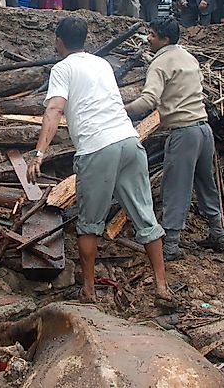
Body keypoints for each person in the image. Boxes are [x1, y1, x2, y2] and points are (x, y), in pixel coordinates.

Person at [26, 17, 174, 307]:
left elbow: (55, 108)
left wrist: (39, 153)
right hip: (129, 141)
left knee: (90, 223)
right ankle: (162, 286)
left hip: (97, 148)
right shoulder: (101, 63)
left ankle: (89, 292)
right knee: (145, 216)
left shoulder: (62, 68)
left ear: (59, 41)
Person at [126, 17, 224, 258]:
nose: (148, 38)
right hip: (204, 130)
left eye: (152, 34)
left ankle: (170, 244)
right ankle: (219, 233)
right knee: (205, 182)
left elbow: (148, 101)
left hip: (183, 131)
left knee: (175, 186)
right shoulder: (187, 57)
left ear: (165, 39)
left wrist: (122, 109)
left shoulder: (160, 63)